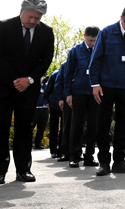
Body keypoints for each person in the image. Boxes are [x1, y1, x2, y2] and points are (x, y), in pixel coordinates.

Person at [0, 0, 55, 184]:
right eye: (30, 17)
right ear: (21, 12)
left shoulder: (46, 32)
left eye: (37, 18)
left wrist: (30, 80)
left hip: (29, 89)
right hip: (3, 87)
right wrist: (15, 80)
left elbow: (46, 59)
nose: (33, 21)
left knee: (25, 129)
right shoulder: (3, 26)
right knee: (0, 128)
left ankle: (23, 170)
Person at [90, 5, 125, 176]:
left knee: (123, 125)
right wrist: (95, 84)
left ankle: (119, 161)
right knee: (103, 124)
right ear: (122, 18)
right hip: (105, 86)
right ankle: (104, 163)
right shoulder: (107, 32)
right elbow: (96, 59)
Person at [64, 26, 101, 168]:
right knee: (77, 124)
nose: (93, 43)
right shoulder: (75, 51)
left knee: (93, 125)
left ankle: (89, 156)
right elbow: (69, 74)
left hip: (95, 93)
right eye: (91, 40)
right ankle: (74, 156)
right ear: (84, 36)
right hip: (78, 91)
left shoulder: (100, 50)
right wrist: (68, 93)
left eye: (95, 40)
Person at [55, 61, 72, 162]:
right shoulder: (65, 65)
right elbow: (59, 82)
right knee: (67, 125)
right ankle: (65, 152)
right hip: (67, 98)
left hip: (83, 96)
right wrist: (60, 99)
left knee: (78, 126)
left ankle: (77, 152)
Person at [43, 71, 62, 158]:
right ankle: (53, 150)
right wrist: (46, 101)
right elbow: (48, 89)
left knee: (64, 128)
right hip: (54, 104)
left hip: (66, 104)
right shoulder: (55, 74)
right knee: (53, 128)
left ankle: (62, 149)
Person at [30, 77, 49, 150]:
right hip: (36, 108)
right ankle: (29, 143)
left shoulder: (46, 86)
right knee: (31, 126)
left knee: (42, 127)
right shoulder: (34, 86)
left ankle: (38, 143)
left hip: (44, 109)